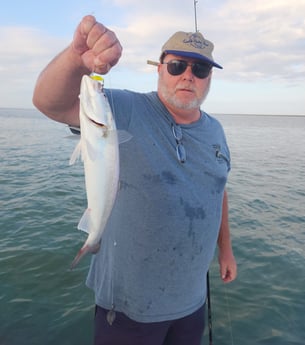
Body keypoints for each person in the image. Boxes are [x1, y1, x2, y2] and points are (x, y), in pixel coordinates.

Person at [33, 15, 237, 345]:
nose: (188, 75)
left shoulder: (216, 130)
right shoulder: (123, 109)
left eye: (200, 69)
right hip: (129, 309)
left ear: (209, 77)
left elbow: (218, 189)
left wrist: (225, 250)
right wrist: (75, 57)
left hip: (192, 303)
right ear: (159, 68)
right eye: (177, 66)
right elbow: (49, 102)